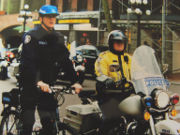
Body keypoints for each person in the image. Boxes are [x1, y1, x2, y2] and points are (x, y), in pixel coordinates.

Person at [19, 5, 82, 135]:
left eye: (54, 16)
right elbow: (29, 63)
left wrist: (74, 81)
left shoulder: (58, 38)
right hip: (30, 85)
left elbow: (66, 61)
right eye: (48, 16)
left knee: (50, 125)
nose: (52, 19)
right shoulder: (32, 36)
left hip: (47, 86)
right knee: (28, 124)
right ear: (41, 18)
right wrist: (38, 81)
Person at [95, 30, 133, 134]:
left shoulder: (129, 58)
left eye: (122, 42)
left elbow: (138, 71)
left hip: (127, 94)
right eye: (117, 42)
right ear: (111, 44)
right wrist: (106, 79)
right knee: (111, 119)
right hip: (109, 95)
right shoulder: (104, 57)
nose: (120, 44)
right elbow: (99, 71)